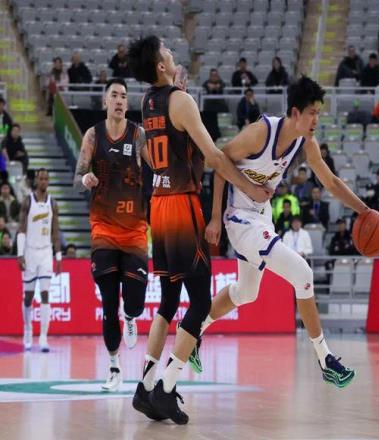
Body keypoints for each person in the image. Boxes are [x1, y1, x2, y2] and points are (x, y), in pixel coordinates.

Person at [192, 76, 379, 391]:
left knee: (246, 293)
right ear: (295, 113)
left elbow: (331, 182)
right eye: (312, 113)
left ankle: (193, 331)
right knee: (303, 273)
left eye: (319, 113)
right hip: (238, 218)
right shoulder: (261, 132)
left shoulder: (306, 143)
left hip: (261, 216)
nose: (317, 119)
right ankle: (326, 359)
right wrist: (216, 218)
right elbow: (219, 162)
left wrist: (366, 212)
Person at [127, 35, 271, 424]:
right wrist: (249, 188)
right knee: (201, 304)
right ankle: (164, 390)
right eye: (166, 50)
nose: (172, 52)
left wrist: (180, 98)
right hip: (181, 206)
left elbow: (165, 143)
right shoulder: (180, 102)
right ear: (160, 65)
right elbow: (215, 157)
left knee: (168, 302)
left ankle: (145, 386)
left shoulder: (148, 101)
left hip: (159, 206)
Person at [74, 78, 150, 392]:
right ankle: (114, 366)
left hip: (134, 230)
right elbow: (78, 176)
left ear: (127, 104)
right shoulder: (93, 135)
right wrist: (86, 179)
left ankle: (131, 317)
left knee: (134, 302)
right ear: (105, 101)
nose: (119, 100)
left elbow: (158, 167)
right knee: (108, 302)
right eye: (114, 95)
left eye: (123, 96)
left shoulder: (138, 134)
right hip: (103, 229)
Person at [17, 168, 61, 352]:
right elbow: (21, 228)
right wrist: (20, 254)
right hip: (29, 252)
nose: (43, 181)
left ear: (48, 181)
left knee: (45, 295)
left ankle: (43, 337)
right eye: (41, 178)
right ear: (36, 180)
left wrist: (58, 255)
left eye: (46, 179)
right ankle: (28, 329)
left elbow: (55, 231)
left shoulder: (53, 203)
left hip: (45, 254)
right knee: (28, 297)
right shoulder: (28, 201)